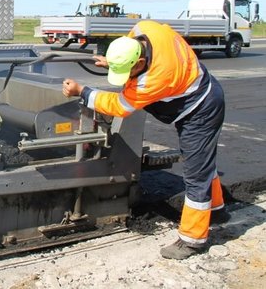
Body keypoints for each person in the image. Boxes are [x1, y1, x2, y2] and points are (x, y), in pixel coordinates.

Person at [61, 20, 229, 260]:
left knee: (196, 174)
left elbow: (120, 106)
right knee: (202, 161)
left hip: (199, 109)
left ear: (140, 63)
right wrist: (115, 62)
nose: (127, 77)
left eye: (129, 71)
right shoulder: (146, 28)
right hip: (198, 88)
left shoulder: (154, 79)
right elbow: (131, 44)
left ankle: (192, 240)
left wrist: (83, 92)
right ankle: (217, 211)